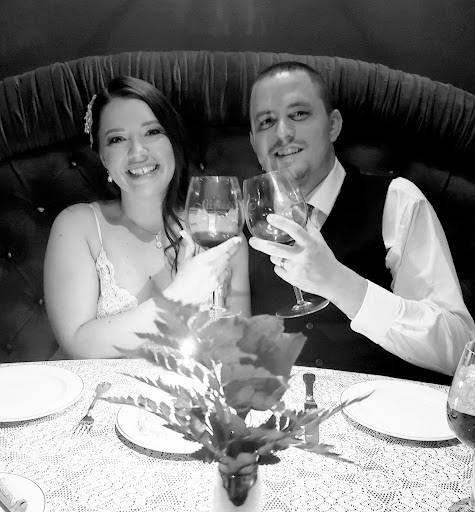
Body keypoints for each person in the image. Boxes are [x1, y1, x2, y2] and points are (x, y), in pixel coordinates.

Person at [247, 61, 475, 383]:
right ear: (255, 143)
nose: (283, 133)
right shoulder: (242, 221)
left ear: (333, 125)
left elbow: (460, 348)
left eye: (298, 114)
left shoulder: (395, 200)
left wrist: (340, 284)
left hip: (383, 409)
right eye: (267, 121)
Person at [44, 76, 250, 360]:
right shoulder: (77, 226)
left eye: (152, 132)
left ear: (172, 141)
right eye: (117, 139)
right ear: (103, 156)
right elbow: (77, 344)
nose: (137, 152)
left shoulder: (219, 232)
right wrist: (180, 297)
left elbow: (239, 354)